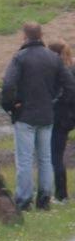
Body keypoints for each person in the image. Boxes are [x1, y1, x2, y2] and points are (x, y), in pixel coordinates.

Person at [1, 23, 75, 211]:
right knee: (46, 158)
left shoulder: (20, 57)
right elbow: (70, 86)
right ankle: (44, 199)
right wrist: (55, 100)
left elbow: (8, 84)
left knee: (25, 159)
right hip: (47, 114)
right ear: (41, 35)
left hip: (25, 114)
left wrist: (10, 106)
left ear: (24, 36)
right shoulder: (53, 58)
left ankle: (24, 200)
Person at [48, 40, 75, 203]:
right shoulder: (71, 68)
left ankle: (61, 194)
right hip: (69, 118)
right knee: (56, 155)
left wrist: (54, 103)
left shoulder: (61, 72)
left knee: (55, 156)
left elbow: (66, 94)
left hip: (60, 117)